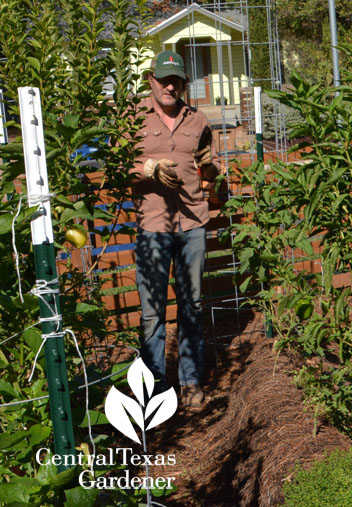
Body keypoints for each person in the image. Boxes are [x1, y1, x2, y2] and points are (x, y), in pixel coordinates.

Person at [130, 50, 220, 407]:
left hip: (192, 224)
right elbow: (119, 166)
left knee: (191, 306)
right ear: (151, 80)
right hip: (153, 226)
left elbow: (204, 159)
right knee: (152, 310)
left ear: (184, 83)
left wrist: (210, 170)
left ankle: (191, 382)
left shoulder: (198, 120)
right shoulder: (133, 117)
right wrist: (149, 168)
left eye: (177, 80)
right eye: (163, 79)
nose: (170, 85)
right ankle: (153, 388)